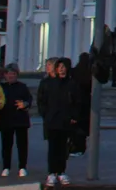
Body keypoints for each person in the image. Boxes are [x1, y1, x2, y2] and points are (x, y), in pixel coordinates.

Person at [38, 56, 77, 186]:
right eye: (59, 67)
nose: (61, 70)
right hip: (52, 120)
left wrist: (73, 116)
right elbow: (41, 101)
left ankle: (61, 172)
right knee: (53, 147)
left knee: (63, 148)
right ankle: (52, 173)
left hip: (65, 121)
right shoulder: (47, 83)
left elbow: (77, 101)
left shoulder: (71, 84)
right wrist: (46, 115)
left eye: (63, 67)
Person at [0, 63, 32, 177]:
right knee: (6, 145)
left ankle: (22, 167)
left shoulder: (22, 86)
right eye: (8, 74)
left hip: (20, 120)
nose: (10, 76)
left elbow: (29, 100)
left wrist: (25, 104)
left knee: (22, 145)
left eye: (13, 74)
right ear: (5, 75)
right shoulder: (1, 87)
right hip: (5, 119)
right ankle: (6, 167)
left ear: (16, 75)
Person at [70, 54, 92, 156]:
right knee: (81, 127)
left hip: (75, 101)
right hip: (85, 102)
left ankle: (74, 146)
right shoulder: (89, 73)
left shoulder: (74, 72)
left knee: (75, 127)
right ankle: (80, 147)